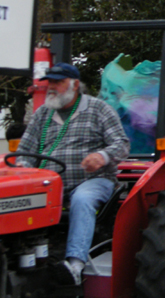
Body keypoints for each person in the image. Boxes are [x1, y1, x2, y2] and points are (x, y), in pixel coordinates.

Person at [14, 63, 130, 285]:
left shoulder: (99, 109)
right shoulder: (42, 114)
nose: (52, 87)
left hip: (92, 180)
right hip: (50, 184)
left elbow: (122, 144)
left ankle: (75, 266)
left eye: (58, 82)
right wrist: (23, 170)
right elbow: (25, 152)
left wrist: (102, 157)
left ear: (75, 85)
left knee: (82, 199)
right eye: (50, 82)